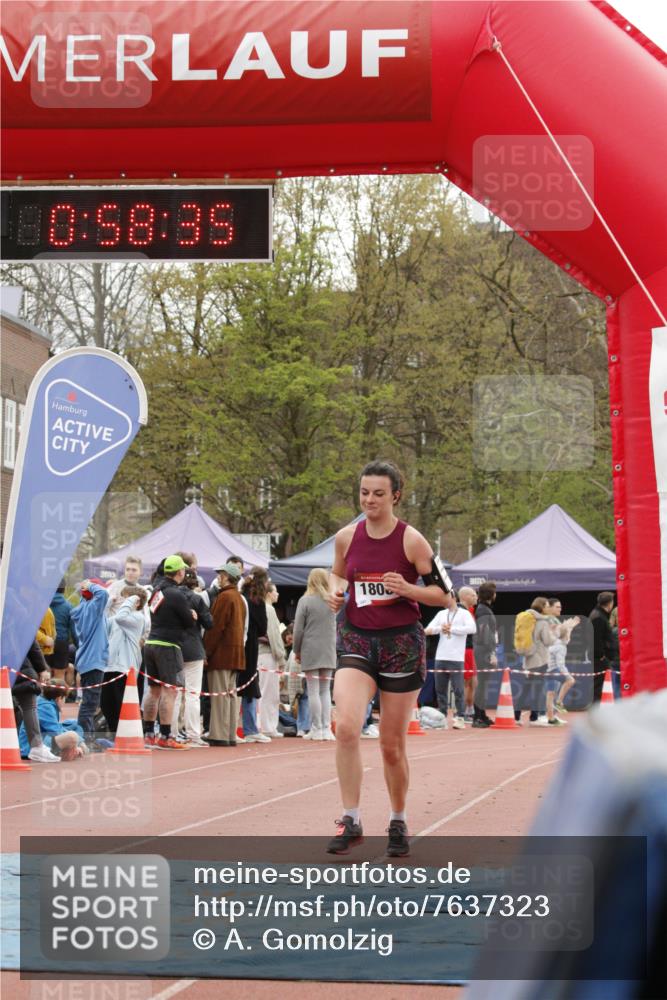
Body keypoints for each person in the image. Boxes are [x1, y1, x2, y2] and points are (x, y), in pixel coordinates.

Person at [327, 460, 454, 857]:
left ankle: (397, 819)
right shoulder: (346, 538)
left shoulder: (412, 541)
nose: (369, 500)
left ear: (396, 495)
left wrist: (406, 589)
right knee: (346, 727)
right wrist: (334, 592)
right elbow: (338, 576)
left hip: (401, 644)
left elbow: (445, 597)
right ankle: (351, 818)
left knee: (390, 744)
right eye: (364, 492)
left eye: (378, 493)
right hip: (357, 639)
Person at [142, 555, 196, 750]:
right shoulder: (176, 593)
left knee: (154, 689)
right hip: (168, 646)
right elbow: (189, 623)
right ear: (180, 572)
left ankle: (149, 734)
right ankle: (166, 736)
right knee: (169, 691)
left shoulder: (157, 591)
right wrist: (192, 615)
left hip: (151, 643)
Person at [203, 562, 246, 746]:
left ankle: (219, 735)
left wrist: (206, 652)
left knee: (220, 695)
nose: (218, 578)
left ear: (227, 576)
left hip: (221, 654)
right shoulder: (238, 598)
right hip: (236, 654)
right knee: (229, 696)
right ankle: (229, 734)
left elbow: (215, 628)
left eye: (221, 575)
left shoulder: (224, 597)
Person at [170, 567, 213, 746]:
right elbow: (209, 623)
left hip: (175, 647)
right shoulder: (197, 599)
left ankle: (171, 732)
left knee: (175, 693)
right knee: (193, 694)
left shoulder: (169, 596)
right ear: (194, 583)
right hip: (194, 649)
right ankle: (193, 734)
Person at [293, 568, 336, 741]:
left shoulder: (305, 601)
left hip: (310, 649)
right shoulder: (332, 601)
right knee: (326, 691)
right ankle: (327, 728)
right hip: (328, 649)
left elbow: (298, 630)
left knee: (313, 691)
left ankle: (316, 728)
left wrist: (296, 650)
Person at [425, 590, 476, 730]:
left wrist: (452, 629)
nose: (442, 601)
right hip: (440, 656)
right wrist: (441, 628)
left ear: (453, 597)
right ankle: (441, 717)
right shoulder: (441, 614)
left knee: (458, 689)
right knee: (440, 689)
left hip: (456, 657)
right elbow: (427, 629)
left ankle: (460, 716)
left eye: (445, 598)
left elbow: (472, 628)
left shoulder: (464, 613)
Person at [102, 586, 148, 737]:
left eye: (126, 598)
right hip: (110, 666)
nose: (123, 601)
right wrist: (108, 604)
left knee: (120, 702)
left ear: (135, 602)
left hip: (125, 667)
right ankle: (113, 731)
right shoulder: (119, 617)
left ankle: (123, 734)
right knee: (106, 702)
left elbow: (121, 618)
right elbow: (101, 624)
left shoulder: (137, 617)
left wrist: (133, 599)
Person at [70, 579, 110, 748]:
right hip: (93, 661)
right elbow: (104, 593)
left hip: (87, 659)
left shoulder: (82, 608)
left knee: (89, 702)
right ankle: (85, 738)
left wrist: (85, 590)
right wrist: (90, 586)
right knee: (89, 704)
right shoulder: (93, 609)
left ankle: (88, 736)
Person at [12, 639, 60, 763]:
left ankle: (36, 746)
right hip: (19, 668)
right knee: (30, 708)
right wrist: (42, 669)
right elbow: (32, 645)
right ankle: (37, 747)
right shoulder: (19, 621)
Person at [239, 568, 271, 743]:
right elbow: (262, 628)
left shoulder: (241, 594)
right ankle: (250, 728)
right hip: (250, 644)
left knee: (235, 685)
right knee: (249, 685)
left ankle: (235, 727)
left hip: (237, 643)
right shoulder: (257, 601)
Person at [514, 596, 556, 726]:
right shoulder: (542, 622)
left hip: (528, 658)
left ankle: (517, 716)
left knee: (527, 688)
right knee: (538, 689)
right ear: (543, 607)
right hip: (540, 660)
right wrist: (553, 633)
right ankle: (534, 717)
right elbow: (548, 641)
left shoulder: (528, 618)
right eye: (548, 606)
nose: (549, 608)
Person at [19, 686, 87, 761]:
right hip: (30, 747)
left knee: (76, 725)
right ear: (59, 698)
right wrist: (76, 744)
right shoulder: (45, 707)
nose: (64, 702)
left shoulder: (45, 703)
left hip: (42, 737)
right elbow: (56, 732)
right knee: (72, 736)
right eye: (64, 699)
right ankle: (70, 751)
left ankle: (74, 749)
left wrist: (79, 742)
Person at [258, 583, 287, 738]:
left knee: (268, 692)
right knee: (268, 692)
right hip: (268, 654)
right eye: (275, 591)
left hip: (264, 654)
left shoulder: (263, 608)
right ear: (269, 593)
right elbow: (274, 636)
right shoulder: (269, 610)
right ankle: (266, 726)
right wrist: (281, 658)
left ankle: (267, 726)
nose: (277, 594)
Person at [544, 597, 579, 724]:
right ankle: (553, 710)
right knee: (559, 687)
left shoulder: (560, 642)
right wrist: (568, 627)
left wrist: (570, 627)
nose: (560, 609)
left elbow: (563, 636)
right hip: (552, 666)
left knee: (551, 692)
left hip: (551, 664)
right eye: (558, 607)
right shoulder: (549, 622)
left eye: (560, 606)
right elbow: (560, 636)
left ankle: (551, 716)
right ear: (550, 607)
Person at [472, 581, 497, 728]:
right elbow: (485, 633)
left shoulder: (483, 609)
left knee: (483, 684)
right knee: (482, 685)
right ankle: (477, 717)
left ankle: (481, 714)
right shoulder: (483, 610)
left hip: (482, 650)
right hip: (483, 651)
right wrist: (491, 652)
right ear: (491, 594)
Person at [589, 591, 615, 704]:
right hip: (599, 659)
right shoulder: (598, 617)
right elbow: (596, 639)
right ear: (610, 603)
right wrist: (601, 656)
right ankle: (595, 712)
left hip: (600, 657)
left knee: (598, 686)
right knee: (598, 687)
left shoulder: (597, 614)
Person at [459, 586, 478, 723]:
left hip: (471, 649)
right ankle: (465, 711)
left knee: (473, 681)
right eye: (473, 595)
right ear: (464, 597)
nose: (476, 597)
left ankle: (470, 708)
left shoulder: (470, 610)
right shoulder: (460, 611)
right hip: (465, 649)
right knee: (467, 682)